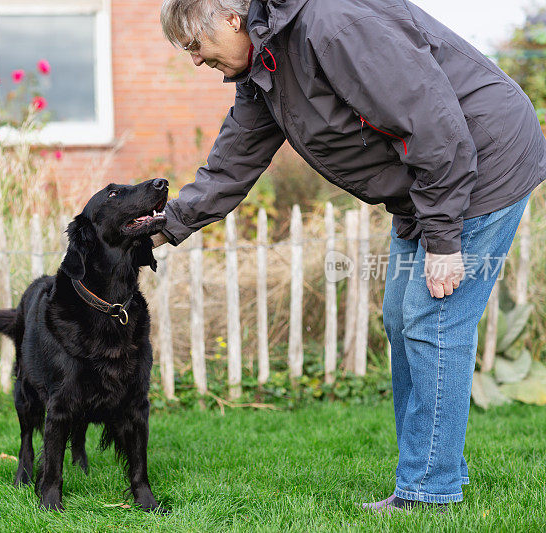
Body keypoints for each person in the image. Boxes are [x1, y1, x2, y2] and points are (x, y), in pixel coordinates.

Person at [153, 0, 545, 510]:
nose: (195, 61)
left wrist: (444, 240)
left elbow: (433, 122)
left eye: (194, 46)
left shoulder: (331, 25)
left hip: (480, 162)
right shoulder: (266, 64)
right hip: (425, 182)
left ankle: (430, 491)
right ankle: (437, 467)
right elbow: (236, 157)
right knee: (403, 321)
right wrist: (168, 224)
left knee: (433, 321)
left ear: (230, 19)